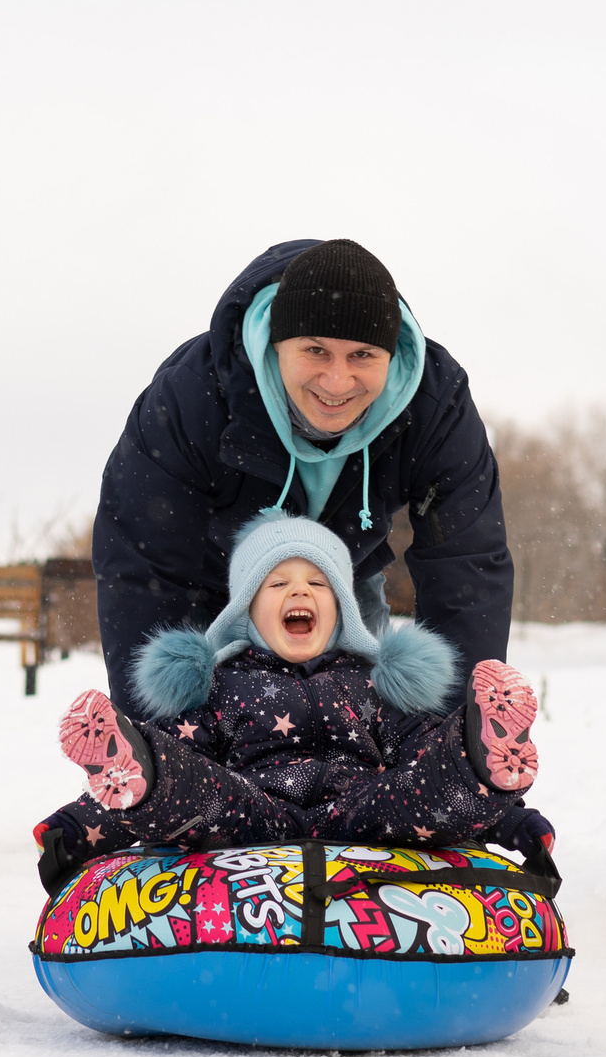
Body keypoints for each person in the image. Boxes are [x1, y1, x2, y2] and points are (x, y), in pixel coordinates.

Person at [92, 239, 511, 715]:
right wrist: (152, 744)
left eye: (363, 356)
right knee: (210, 745)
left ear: (391, 356)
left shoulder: (436, 406)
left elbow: (468, 565)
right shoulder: (193, 396)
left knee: (370, 735)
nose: (337, 382)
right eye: (315, 350)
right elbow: (142, 565)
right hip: (215, 589)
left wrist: (463, 742)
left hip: (343, 587)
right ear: (276, 343)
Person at [33, 515, 550, 893]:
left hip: (363, 816)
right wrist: (76, 828)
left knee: (424, 777)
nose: (298, 591)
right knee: (191, 784)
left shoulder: (373, 683)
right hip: (251, 816)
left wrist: (512, 819)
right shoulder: (219, 684)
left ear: (343, 607)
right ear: (247, 610)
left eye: (318, 583)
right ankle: (126, 759)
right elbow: (184, 756)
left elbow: (422, 756)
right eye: (277, 583)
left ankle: (487, 762)